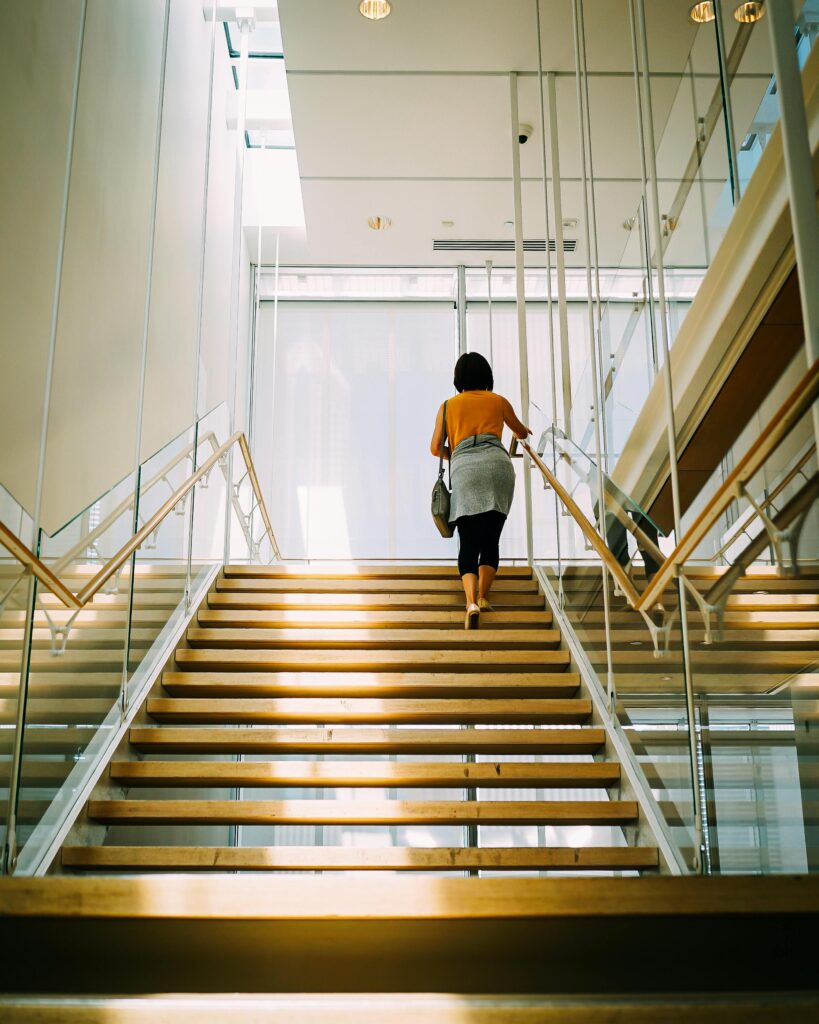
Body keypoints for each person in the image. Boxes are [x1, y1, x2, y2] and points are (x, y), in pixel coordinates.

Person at [430, 352, 530, 629]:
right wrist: (518, 432)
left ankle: (471, 602)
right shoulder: (498, 401)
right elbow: (521, 432)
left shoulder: (448, 406)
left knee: (468, 541)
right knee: (491, 539)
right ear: (487, 375)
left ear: (458, 378)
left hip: (465, 470)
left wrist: (461, 453)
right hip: (498, 467)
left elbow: (436, 447)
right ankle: (485, 596)